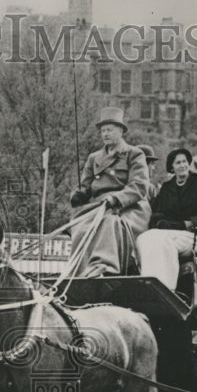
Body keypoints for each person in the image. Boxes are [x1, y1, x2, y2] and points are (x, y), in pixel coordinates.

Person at [67, 106, 151, 277]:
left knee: (108, 222)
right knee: (80, 226)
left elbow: (139, 185)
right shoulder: (94, 158)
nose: (105, 134)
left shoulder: (134, 154)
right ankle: (78, 272)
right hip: (99, 206)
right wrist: (79, 195)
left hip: (128, 207)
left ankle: (104, 266)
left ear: (120, 131)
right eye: (103, 130)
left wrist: (117, 199)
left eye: (109, 130)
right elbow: (86, 184)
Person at [136, 148, 197, 292]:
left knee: (164, 241)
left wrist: (187, 224)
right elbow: (156, 212)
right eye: (178, 163)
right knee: (144, 238)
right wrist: (161, 222)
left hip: (193, 234)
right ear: (172, 167)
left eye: (185, 161)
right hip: (170, 231)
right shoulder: (167, 187)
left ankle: (166, 288)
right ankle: (148, 284)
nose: (182, 165)